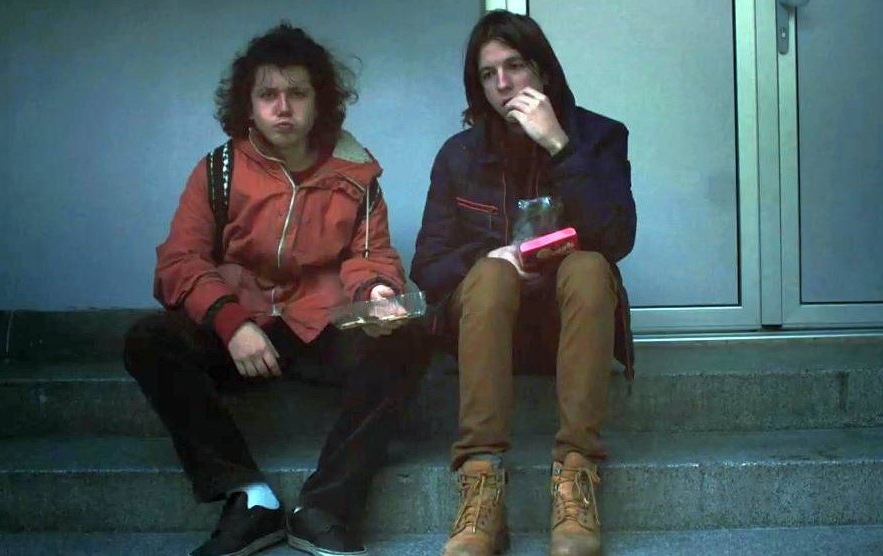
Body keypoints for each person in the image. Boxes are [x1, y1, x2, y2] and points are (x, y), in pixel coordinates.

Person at [123, 22, 427, 556]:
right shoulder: (218, 170)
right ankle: (249, 497)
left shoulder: (356, 174)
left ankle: (326, 506)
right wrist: (231, 323)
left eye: (297, 93)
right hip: (242, 331)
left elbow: (371, 256)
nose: (283, 108)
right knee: (147, 340)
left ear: (319, 101)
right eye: (268, 94)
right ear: (249, 104)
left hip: (320, 328)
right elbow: (180, 260)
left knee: (409, 340)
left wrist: (377, 294)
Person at [410, 10, 636, 556]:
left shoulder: (599, 137)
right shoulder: (460, 154)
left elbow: (616, 239)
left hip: (569, 326)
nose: (504, 84)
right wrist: (490, 254)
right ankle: (481, 482)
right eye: (489, 74)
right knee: (489, 273)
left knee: (588, 265)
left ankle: (576, 477)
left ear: (543, 71)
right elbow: (427, 266)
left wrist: (559, 145)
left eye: (515, 66)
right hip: (490, 331)